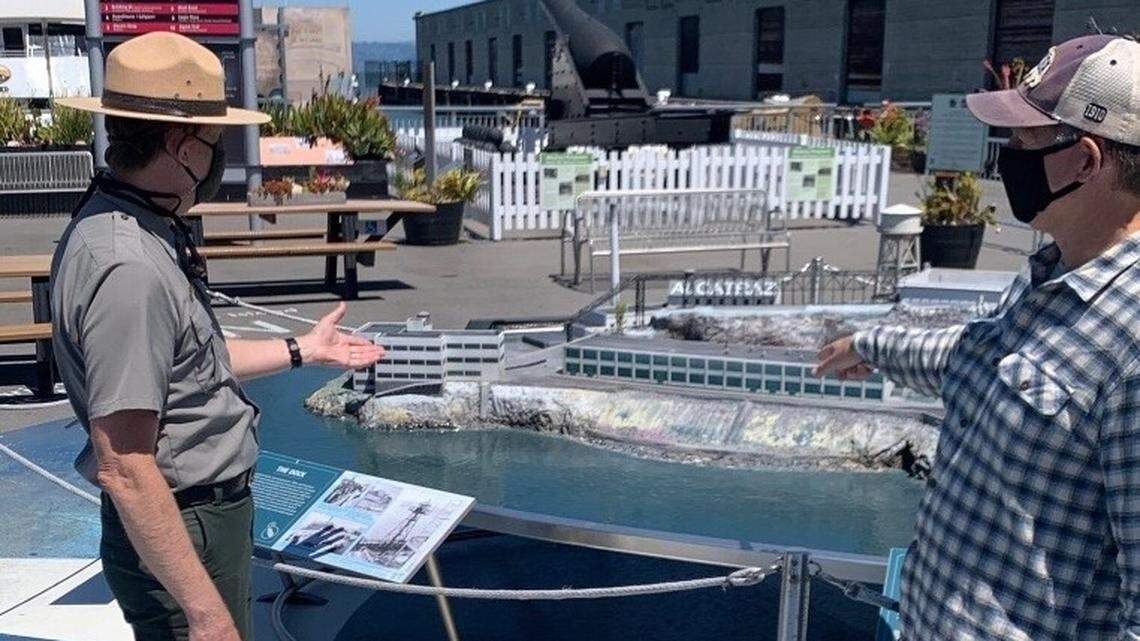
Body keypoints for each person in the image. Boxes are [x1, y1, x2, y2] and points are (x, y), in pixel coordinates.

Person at [51, 33, 385, 641]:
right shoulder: (129, 265)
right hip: (185, 526)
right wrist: (205, 615)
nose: (219, 159)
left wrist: (302, 349)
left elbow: (184, 363)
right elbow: (125, 462)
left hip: (195, 520)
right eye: (214, 142)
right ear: (183, 147)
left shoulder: (130, 221)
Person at [817, 34, 1140, 640]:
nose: (1007, 155)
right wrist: (869, 345)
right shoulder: (1050, 273)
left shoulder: (1132, 342)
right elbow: (982, 358)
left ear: (1085, 161)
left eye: (1025, 141)